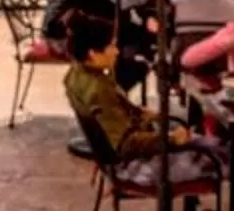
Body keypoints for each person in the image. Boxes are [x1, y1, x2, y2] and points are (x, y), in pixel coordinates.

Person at [63, 18, 214, 194]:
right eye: (111, 47)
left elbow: (115, 117)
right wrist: (171, 140)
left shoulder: (75, 74)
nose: (117, 51)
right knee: (223, 160)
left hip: (117, 158)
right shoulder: (98, 89)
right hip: (131, 167)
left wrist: (140, 114)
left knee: (206, 144)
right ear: (92, 54)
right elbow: (126, 144)